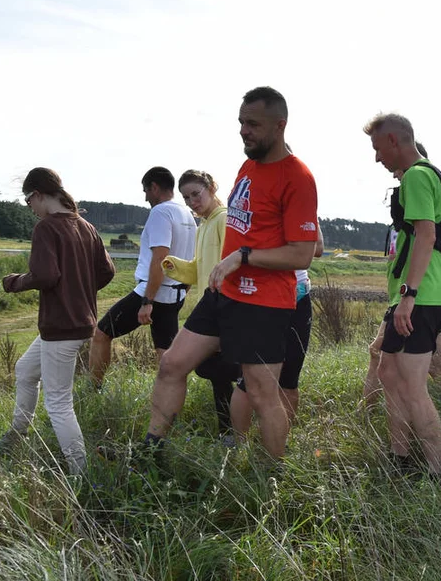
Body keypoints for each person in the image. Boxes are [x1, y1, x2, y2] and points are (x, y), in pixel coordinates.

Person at [144, 86, 318, 460]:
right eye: (241, 123)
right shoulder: (247, 167)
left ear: (280, 125)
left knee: (261, 393)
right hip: (223, 294)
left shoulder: (298, 177)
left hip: (265, 303)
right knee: (171, 364)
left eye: (253, 124)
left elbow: (304, 252)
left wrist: (245, 257)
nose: (244, 130)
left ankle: (273, 476)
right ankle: (149, 452)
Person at [0, 168, 115, 476]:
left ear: (39, 194)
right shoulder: (85, 226)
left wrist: (14, 282)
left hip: (61, 326)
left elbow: (45, 275)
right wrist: (78, 291)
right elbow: (107, 272)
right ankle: (16, 436)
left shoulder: (47, 228)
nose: (29, 207)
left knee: (58, 403)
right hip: (78, 323)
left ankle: (80, 474)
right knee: (25, 370)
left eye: (27, 200)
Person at [365, 113, 441, 476]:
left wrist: (409, 295)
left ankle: (437, 471)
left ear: (394, 141)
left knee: (414, 388)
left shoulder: (416, 175)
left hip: (420, 296)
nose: (376, 157)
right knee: (388, 373)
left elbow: (427, 236)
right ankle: (399, 459)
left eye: (377, 148)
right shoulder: (427, 174)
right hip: (416, 295)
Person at [363, 144, 441, 409]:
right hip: (408, 294)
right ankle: (366, 412)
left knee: (435, 366)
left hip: (419, 295)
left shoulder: (419, 181)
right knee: (378, 354)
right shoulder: (413, 202)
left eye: (396, 170)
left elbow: (431, 243)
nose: (393, 176)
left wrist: (410, 294)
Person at [89, 167, 196, 387]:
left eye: (146, 190)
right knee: (165, 354)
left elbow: (160, 256)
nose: (145, 197)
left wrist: (147, 301)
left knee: (101, 333)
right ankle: (171, 404)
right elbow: (192, 258)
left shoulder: (160, 212)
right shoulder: (188, 215)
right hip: (175, 294)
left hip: (152, 293)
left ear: (154, 187)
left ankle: (94, 388)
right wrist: (184, 288)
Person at [162, 169, 242, 439]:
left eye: (196, 194)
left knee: (210, 367)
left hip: (225, 307)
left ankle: (251, 379)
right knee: (216, 375)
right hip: (210, 305)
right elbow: (199, 269)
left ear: (212, 188)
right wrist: (175, 267)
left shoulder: (224, 219)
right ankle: (227, 433)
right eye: (186, 198)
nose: (192, 202)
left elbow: (229, 264)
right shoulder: (203, 225)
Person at [230, 220, 324, 439]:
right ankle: (237, 448)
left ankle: (278, 446)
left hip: (298, 295)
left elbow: (317, 248)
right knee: (249, 382)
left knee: (289, 382)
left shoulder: (302, 202)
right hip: (262, 296)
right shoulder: (259, 202)